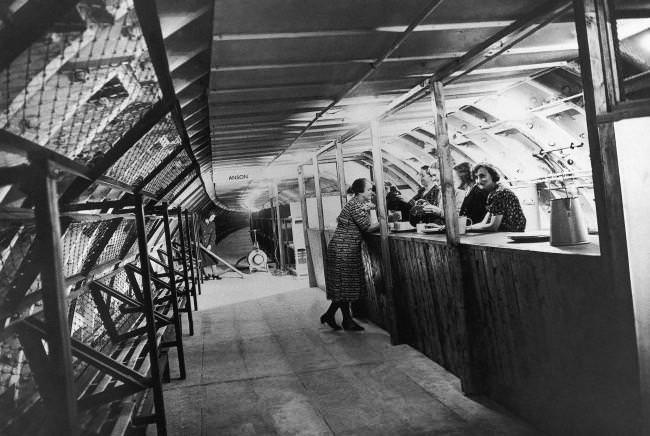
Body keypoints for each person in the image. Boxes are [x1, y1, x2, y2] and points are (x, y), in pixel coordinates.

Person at [321, 178, 379, 331]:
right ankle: (343, 319)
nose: (371, 192)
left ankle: (336, 317)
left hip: (342, 248)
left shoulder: (356, 204)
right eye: (368, 190)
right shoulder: (356, 206)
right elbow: (367, 228)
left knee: (344, 287)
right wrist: (386, 221)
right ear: (360, 192)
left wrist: (368, 208)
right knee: (345, 286)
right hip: (343, 250)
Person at [468, 163, 526, 232]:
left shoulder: (499, 193)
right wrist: (467, 227)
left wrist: (469, 228)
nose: (478, 181)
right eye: (476, 178)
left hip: (511, 236)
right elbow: (484, 223)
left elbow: (493, 227)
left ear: (492, 176)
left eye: (482, 176)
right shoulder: (494, 192)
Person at [199, 211, 221, 280]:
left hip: (210, 244)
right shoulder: (200, 223)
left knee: (213, 259)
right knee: (203, 261)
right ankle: (206, 275)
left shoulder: (213, 224)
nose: (213, 218)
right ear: (208, 216)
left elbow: (213, 235)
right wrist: (199, 243)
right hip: (202, 245)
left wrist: (210, 244)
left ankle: (215, 274)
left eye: (214, 217)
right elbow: (196, 233)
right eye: (212, 217)